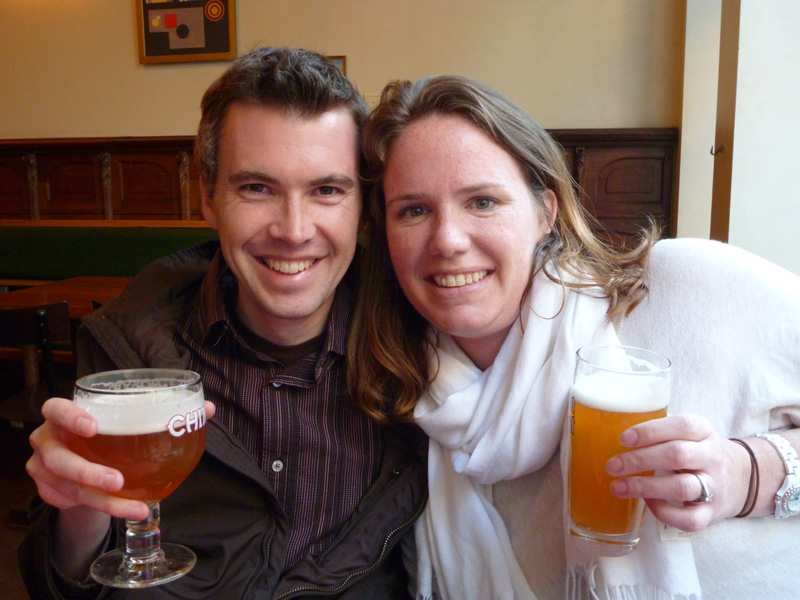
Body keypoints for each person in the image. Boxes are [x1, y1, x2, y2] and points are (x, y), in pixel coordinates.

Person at [348, 74, 800, 600]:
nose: (447, 239)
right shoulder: (400, 406)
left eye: (483, 202)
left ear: (547, 211)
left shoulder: (687, 285)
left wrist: (747, 474)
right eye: (415, 210)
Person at [20, 47, 426, 600]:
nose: (294, 229)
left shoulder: (414, 342)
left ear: (362, 206)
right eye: (257, 188)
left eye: (327, 190)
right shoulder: (125, 349)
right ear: (208, 198)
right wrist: (78, 512)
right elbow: (67, 583)